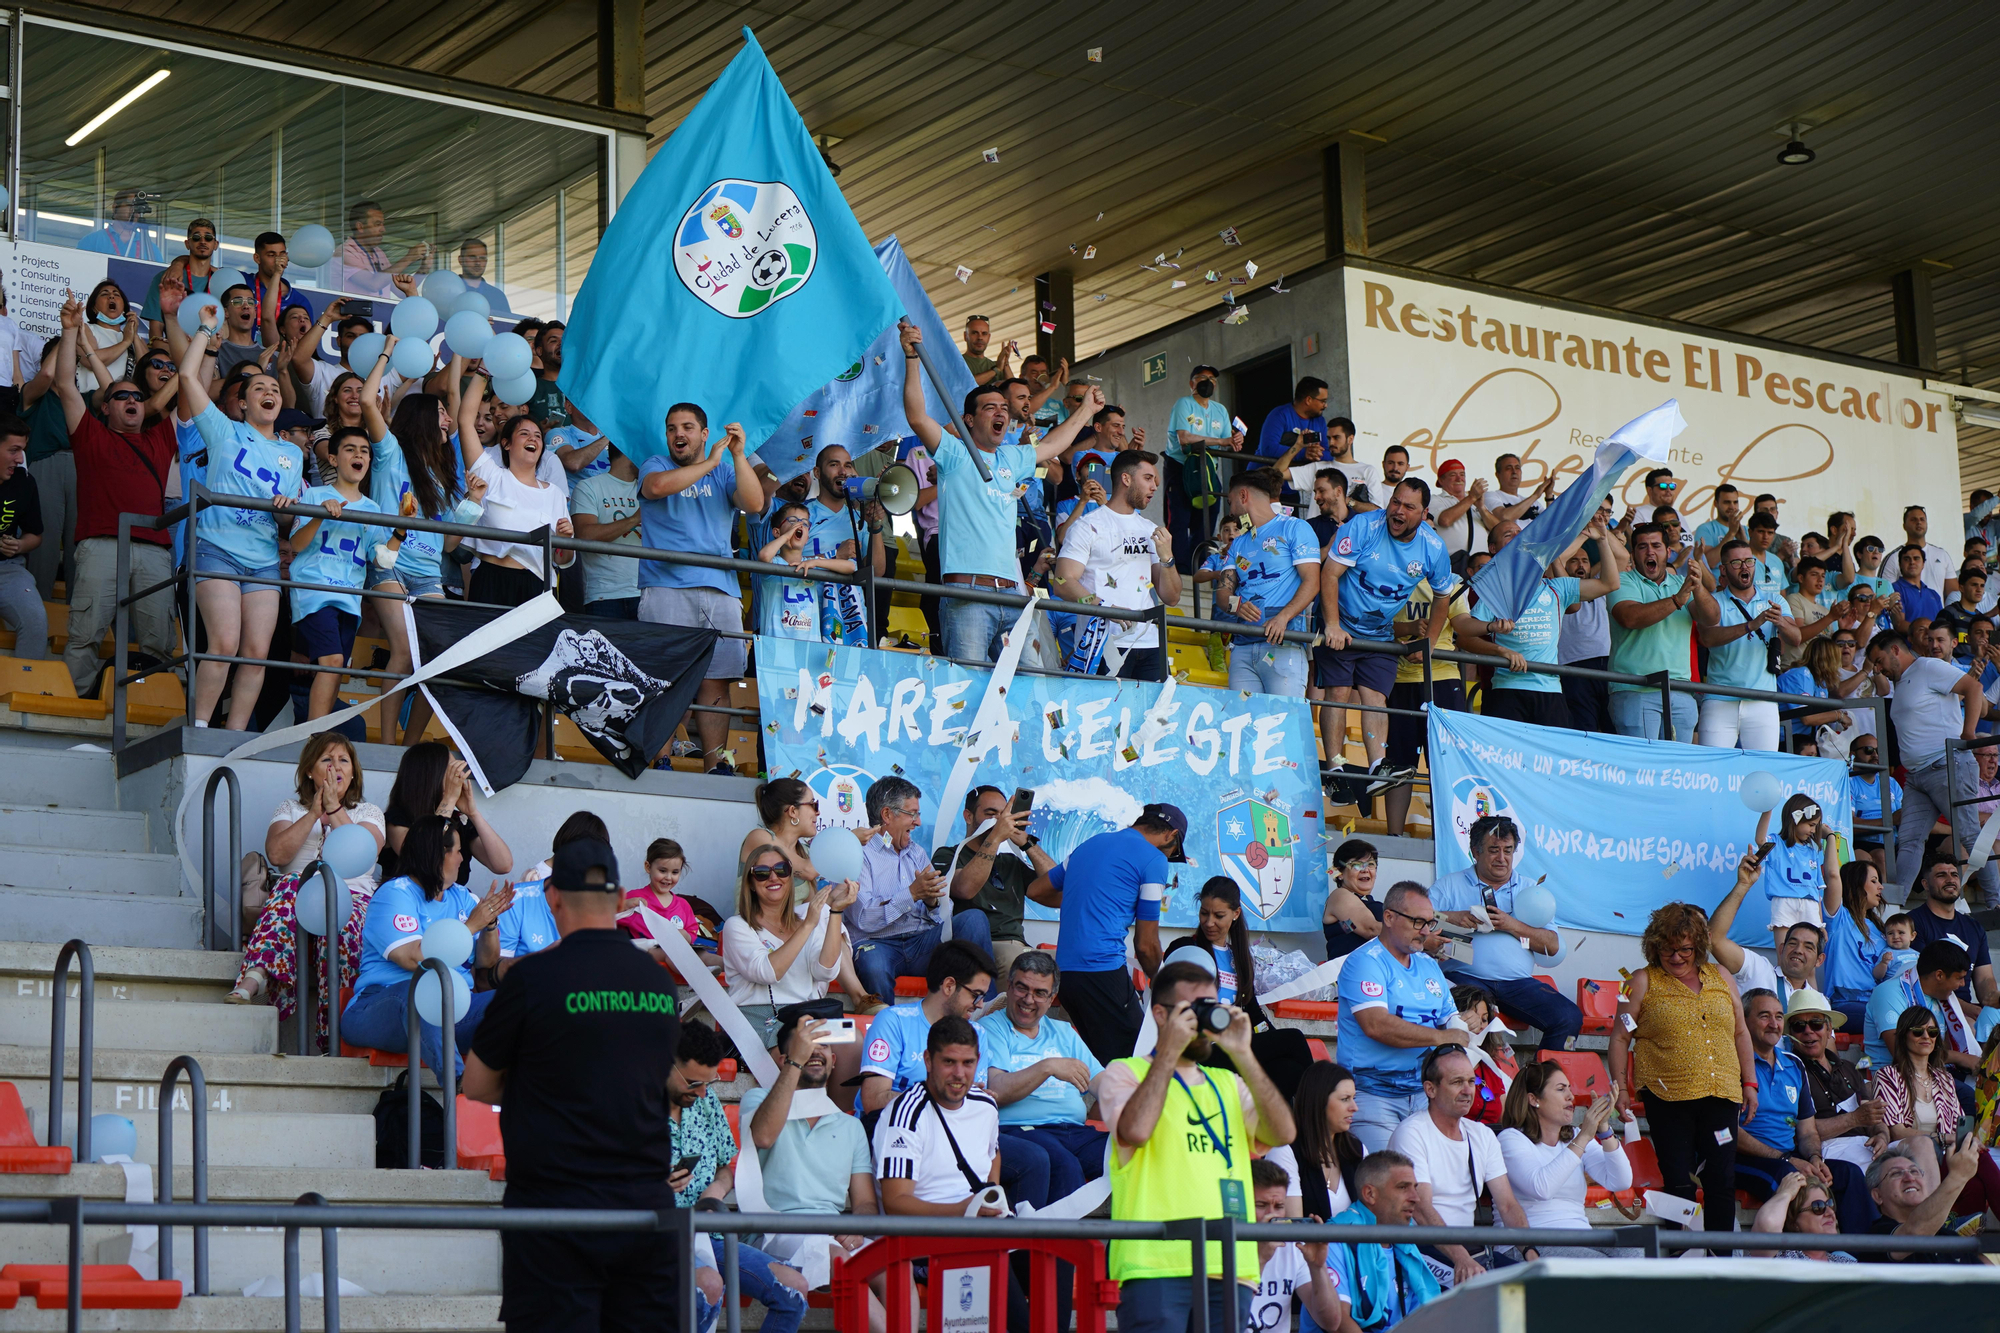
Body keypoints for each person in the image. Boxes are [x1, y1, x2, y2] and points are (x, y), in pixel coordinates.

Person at [454, 835, 684, 1328]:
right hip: (645, 1206)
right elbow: (652, 1077)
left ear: (552, 897)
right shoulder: (659, 984)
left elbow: (475, 1083)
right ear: (623, 900)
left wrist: (541, 1085)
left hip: (554, 1208)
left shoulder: (533, 979)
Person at [1093, 959, 1296, 1333]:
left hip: (1231, 1265)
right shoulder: (1124, 1073)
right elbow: (1135, 1131)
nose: (1203, 1020)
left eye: (1211, 1006)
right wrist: (1168, 1052)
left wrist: (1244, 1054)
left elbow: (1283, 1133)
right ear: (1160, 1014)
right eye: (1193, 1009)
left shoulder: (1228, 1081)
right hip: (1153, 1266)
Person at [899, 323, 1102, 663]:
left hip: (1013, 595)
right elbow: (917, 417)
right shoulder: (954, 453)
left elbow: (1054, 443)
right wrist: (911, 358)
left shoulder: (1011, 456)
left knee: (1029, 692)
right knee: (969, 689)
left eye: (1004, 409)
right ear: (967, 420)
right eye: (990, 407)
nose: (1001, 412)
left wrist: (1086, 411)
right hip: (968, 596)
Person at [175, 301, 308, 731]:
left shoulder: (292, 452)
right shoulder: (222, 429)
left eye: (272, 387)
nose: (268, 392)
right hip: (217, 549)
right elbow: (186, 378)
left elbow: (285, 521)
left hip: (265, 559)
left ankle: (233, 738)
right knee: (224, 643)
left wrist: (286, 516)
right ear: (243, 404)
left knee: (256, 652)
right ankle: (198, 729)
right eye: (257, 389)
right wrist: (203, 330)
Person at [1608, 894, 1755, 1231]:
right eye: (1667, 949)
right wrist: (1620, 1089)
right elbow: (1619, 1038)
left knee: (1721, 1177)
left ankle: (1720, 1261)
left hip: (1721, 1096)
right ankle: (1680, 1258)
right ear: (1654, 947)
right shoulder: (1639, 981)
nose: (1676, 957)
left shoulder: (1721, 975)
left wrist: (1750, 1083)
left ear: (1699, 946)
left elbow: (1741, 1032)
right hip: (1668, 1097)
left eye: (1685, 949)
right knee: (1678, 1180)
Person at [50, 306, 175, 693]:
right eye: (120, 396)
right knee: (85, 636)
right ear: (106, 408)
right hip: (102, 544)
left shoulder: (159, 439)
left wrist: (197, 335)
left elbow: (190, 382)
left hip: (154, 551)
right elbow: (65, 386)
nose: (131, 401)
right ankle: (73, 710)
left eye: (137, 396)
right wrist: (70, 331)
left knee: (160, 644)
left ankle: (155, 705)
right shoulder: (90, 435)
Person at [635, 402, 764, 770]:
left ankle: (714, 765)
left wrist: (738, 455)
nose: (679, 434)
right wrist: (709, 463)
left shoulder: (725, 472)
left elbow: (755, 503)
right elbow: (657, 488)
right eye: (673, 427)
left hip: (720, 589)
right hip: (665, 587)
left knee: (716, 684)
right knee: (663, 678)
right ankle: (660, 759)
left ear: (705, 435)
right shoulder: (655, 464)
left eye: (688, 427)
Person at [740, 1009, 889, 1328]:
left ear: (834, 1060)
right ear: (785, 1058)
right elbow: (763, 1136)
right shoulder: (757, 1099)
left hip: (830, 1234)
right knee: (834, 1254)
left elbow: (864, 1203)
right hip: (772, 1230)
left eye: (824, 1045)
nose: (817, 1051)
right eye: (807, 1044)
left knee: (893, 1265)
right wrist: (796, 1063)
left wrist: (857, 1225)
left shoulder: (850, 1126)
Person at [227, 734, 386, 1028]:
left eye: (343, 760)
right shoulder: (290, 808)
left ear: (353, 773)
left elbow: (365, 853)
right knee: (293, 882)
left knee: (337, 917)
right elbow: (276, 853)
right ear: (310, 771)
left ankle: (334, 1030)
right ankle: (254, 979)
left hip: (351, 899)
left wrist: (335, 809)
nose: (335, 767)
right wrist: (315, 813)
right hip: (295, 900)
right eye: (326, 759)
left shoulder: (369, 812)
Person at [342, 815, 512, 1074]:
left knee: (520, 999)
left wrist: (489, 924)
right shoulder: (394, 894)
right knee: (425, 992)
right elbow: (415, 959)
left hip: (455, 1010)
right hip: (380, 1007)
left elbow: (486, 962)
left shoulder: (462, 897)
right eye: (456, 851)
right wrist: (471, 926)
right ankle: (459, 1088)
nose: (462, 859)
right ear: (437, 855)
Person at [1027, 803, 1187, 1066]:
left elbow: (1036, 890)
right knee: (1136, 1068)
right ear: (1171, 835)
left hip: (1065, 977)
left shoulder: (1091, 844)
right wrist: (1163, 982)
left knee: (1104, 1071)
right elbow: (1146, 945)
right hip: (1102, 973)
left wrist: (1088, 895)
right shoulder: (1154, 859)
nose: (1167, 858)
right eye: (1172, 853)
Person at [1320, 479, 1457, 783]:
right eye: (1395, 502)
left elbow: (1443, 596)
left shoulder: (1433, 546)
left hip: (1381, 632)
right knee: (1339, 693)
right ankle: (1335, 767)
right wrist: (1332, 624)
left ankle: (1377, 767)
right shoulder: (1363, 526)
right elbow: (1329, 573)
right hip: (1341, 623)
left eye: (1409, 507)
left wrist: (1430, 643)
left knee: (1376, 698)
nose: (1398, 511)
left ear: (1423, 514)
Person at [1387, 1045, 1540, 1285]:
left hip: (1470, 1250)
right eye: (1457, 1082)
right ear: (1430, 1089)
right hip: (1421, 1247)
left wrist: (1530, 1253)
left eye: (1472, 1081)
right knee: (1480, 1294)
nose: (1468, 1090)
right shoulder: (1412, 1132)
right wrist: (1462, 1258)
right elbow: (1421, 1208)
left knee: (1533, 1287)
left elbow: (1508, 1205)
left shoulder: (1483, 1135)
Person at [1428, 815, 1581, 1053]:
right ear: (1475, 852)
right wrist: (1453, 918)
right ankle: (1472, 1082)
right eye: (1494, 850)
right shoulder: (1449, 885)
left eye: (1508, 851)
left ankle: (1541, 1083)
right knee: (1471, 1009)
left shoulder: (1530, 889)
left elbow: (1552, 946)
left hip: (1517, 984)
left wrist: (1512, 926)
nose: (1502, 858)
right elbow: (1417, 922)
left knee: (1569, 1017)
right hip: (1465, 978)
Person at [1452, 512, 1618, 727]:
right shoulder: (1496, 590)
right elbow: (1464, 631)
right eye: (1510, 535)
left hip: (1549, 689)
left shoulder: (1558, 587)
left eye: (1522, 536)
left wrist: (1603, 539)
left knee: (1550, 760)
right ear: (1494, 548)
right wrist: (1493, 632)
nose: (1519, 540)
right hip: (1507, 687)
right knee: (1508, 759)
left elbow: (1610, 584)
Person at [1867, 629, 1994, 904]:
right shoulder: (1902, 683)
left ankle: (1996, 901)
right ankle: (1893, 906)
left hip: (1945, 765)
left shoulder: (1928, 666)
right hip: (1917, 775)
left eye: (1879, 661)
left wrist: (1968, 734)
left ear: (1895, 651)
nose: (1878, 668)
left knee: (1970, 835)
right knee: (1910, 841)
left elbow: (1974, 688)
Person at [1336, 882, 1464, 1152]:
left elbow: (1451, 1019)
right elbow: (1376, 1025)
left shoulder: (1429, 965)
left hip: (1422, 1095)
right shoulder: (1365, 961)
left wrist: (1467, 1024)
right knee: (1391, 1181)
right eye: (1418, 922)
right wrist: (1442, 1037)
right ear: (1389, 917)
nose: (1426, 931)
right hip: (1371, 1095)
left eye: (1430, 922)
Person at [1162, 878, 1317, 1099]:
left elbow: (1254, 1015)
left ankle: (1278, 1128)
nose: (1209, 922)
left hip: (1232, 1048)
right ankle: (1320, 1115)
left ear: (1235, 914)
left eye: (1218, 916)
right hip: (1200, 1048)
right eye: (1204, 913)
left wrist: (1272, 1041)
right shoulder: (1185, 948)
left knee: (1288, 1069)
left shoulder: (1239, 957)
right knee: (1293, 1039)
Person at [977, 950, 1109, 1201]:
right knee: (1064, 1164)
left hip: (1075, 1132)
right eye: (1022, 988)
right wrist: (1048, 1067)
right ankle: (1067, 1241)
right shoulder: (991, 1028)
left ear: (1052, 998)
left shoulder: (1064, 1032)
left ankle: (1128, 1239)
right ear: (1009, 986)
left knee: (1134, 1156)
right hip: (1020, 1131)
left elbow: (1101, 1083)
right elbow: (998, 1090)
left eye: (1039, 993)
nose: (1028, 999)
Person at [1734, 988, 1869, 1232]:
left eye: (1778, 1016)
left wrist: (1815, 1159)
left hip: (1787, 1156)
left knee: (1847, 1173)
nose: (1774, 1024)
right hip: (1740, 1159)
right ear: (1744, 1021)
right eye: (1764, 1016)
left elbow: (1807, 1131)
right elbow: (1729, 1133)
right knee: (1790, 1177)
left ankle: (1859, 1257)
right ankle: (1802, 1259)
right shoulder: (1731, 1064)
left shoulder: (1793, 1064)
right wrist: (1786, 1159)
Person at [849, 776, 994, 998]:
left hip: (922, 943)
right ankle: (882, 1030)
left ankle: (986, 1019)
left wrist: (931, 901)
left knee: (973, 919)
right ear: (887, 815)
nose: (918, 822)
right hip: (877, 944)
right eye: (912, 814)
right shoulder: (857, 853)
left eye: (918, 814)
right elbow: (864, 919)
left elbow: (940, 914)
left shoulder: (916, 852)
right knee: (874, 965)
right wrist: (912, 893)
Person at [455, 366, 576, 608]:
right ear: (506, 444)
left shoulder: (553, 493)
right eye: (524, 434)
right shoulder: (491, 475)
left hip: (537, 586)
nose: (533, 439)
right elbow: (465, 420)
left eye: (538, 436)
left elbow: (562, 559)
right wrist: (482, 373)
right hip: (491, 578)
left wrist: (565, 540)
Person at [1052, 450, 1180, 678]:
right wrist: (1103, 608)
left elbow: (1171, 597)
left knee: (1153, 714)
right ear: (1126, 479)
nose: (1155, 487)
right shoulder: (1087, 525)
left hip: (1149, 641)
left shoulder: (1150, 528)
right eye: (1148, 478)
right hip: (1102, 642)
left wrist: (1167, 559)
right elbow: (1062, 582)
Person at [285, 428, 380, 721]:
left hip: (350, 599)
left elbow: (383, 559)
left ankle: (316, 733)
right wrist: (320, 514)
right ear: (333, 459)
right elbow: (297, 544)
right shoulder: (314, 494)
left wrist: (402, 529)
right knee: (333, 661)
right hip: (315, 591)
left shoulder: (373, 508)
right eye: (350, 449)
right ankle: (315, 738)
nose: (358, 455)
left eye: (364, 450)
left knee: (337, 669)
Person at [721, 842, 854, 1048]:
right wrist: (809, 924)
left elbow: (826, 972)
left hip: (806, 1015)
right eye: (762, 873)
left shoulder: (806, 920)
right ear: (750, 883)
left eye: (782, 870)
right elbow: (767, 972)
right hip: (758, 1017)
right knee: (801, 1046)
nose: (774, 877)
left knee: (854, 1042)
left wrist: (835, 912)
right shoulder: (737, 926)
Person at [1495, 1060, 1631, 1256]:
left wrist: (1603, 1129)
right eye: (1561, 1089)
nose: (1571, 1096)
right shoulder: (1511, 1138)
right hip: (1530, 1245)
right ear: (1534, 1099)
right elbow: (1542, 1188)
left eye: (1569, 1088)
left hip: (1581, 1238)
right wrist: (1584, 1136)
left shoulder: (1574, 1136)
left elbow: (1620, 1181)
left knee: (1639, 1246)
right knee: (1598, 1266)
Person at [1872, 1006, 2000, 1214]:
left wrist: (1959, 1141)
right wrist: (1946, 1138)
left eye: (1932, 1032)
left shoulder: (1944, 1078)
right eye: (1918, 1031)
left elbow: (1958, 1128)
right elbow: (1898, 1132)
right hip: (1911, 1156)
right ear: (1904, 1035)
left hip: (1945, 1155)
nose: (1926, 1037)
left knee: (1974, 1185)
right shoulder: (1887, 1076)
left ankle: (1963, 1244)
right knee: (1982, 1157)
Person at [1212, 466, 1322, 697]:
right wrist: (1237, 605)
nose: (1231, 510)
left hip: (1285, 645)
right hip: (1242, 648)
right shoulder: (1239, 543)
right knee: (1243, 726)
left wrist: (1283, 618)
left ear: (1243, 496)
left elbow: (1312, 582)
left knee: (1282, 724)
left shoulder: (1295, 527)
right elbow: (1222, 594)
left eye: (1231, 502)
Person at [855, 939, 994, 1117]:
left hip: (951, 1130)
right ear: (949, 986)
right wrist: (941, 1099)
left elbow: (973, 1102)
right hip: (892, 1128)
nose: (981, 1005)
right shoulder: (893, 1021)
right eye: (976, 996)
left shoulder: (977, 1033)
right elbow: (874, 1101)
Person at [1608, 522, 1717, 739]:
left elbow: (1712, 617)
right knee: (1642, 769)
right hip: (1635, 689)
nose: (1650, 551)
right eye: (1642, 546)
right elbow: (1630, 617)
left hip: (1680, 691)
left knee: (1679, 770)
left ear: (1667, 552)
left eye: (1656, 545)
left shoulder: (1681, 583)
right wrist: (1677, 600)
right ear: (1632, 554)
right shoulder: (1621, 581)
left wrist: (1698, 586)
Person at [934, 785, 1057, 976]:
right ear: (968, 816)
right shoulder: (947, 855)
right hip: (984, 946)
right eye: (991, 814)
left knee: (1074, 965)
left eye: (1003, 815)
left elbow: (1057, 890)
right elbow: (964, 888)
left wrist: (1026, 842)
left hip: (1022, 948)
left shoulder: (1010, 862)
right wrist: (996, 837)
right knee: (1015, 961)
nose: (999, 821)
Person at [1694, 538, 1800, 749]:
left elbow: (1796, 638)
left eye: (1749, 561)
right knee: (1714, 769)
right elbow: (1707, 638)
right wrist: (1750, 625)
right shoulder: (1714, 601)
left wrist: (1780, 622)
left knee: (1762, 770)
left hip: (1762, 700)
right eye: (1736, 563)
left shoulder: (1775, 599)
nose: (1744, 567)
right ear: (1723, 570)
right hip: (1719, 699)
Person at [1320, 1152, 1440, 1332]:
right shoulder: (1335, 1240)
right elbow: (1339, 1323)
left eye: (1415, 1187)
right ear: (1370, 1194)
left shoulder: (1406, 1247)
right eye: (1402, 1187)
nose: (1415, 1197)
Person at [377, 741, 513, 882]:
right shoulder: (397, 818)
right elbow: (423, 859)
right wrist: (448, 799)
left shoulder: (458, 820)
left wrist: (473, 814)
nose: (459, 777)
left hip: (453, 902)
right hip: (409, 900)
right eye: (452, 772)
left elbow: (503, 865)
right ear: (429, 776)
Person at [1162, 364, 1243, 573]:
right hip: (1181, 467)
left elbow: (1226, 440)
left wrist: (1234, 439)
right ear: (1192, 384)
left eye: (1212, 379)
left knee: (1208, 515)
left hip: (1207, 469)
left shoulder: (1220, 409)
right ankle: (1180, 569)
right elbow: (1185, 438)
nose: (1208, 382)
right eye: (1202, 378)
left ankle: (1200, 566)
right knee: (1180, 518)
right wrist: (1223, 441)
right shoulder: (1184, 404)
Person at [1262, 1061, 1367, 1221]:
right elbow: (1293, 1229)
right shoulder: (1285, 1151)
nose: (1354, 1107)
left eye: (1354, 1098)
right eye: (1345, 1099)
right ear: (1320, 1101)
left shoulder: (1357, 1150)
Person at [1249, 1160, 1345, 1333]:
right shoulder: (1222, 1243)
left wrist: (1318, 1267)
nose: (1271, 1215)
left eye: (1279, 1207)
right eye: (1261, 1206)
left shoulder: (1292, 1246)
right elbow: (1225, 1318)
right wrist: (1261, 1258)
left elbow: (1330, 1322)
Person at [1861, 1137, 1986, 1263]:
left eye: (1914, 1171)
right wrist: (1958, 1176)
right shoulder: (1876, 1237)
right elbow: (1914, 1234)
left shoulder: (1949, 1237)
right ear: (1878, 1196)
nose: (1910, 1178)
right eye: (1896, 1174)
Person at [1862, 940, 1978, 1073]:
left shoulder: (1940, 995)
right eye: (1959, 978)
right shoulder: (1888, 993)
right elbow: (1901, 1053)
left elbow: (1941, 1046)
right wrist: (1962, 1058)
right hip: (1896, 1079)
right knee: (1968, 1094)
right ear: (1939, 975)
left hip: (1935, 1073)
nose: (1963, 984)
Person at [1749, 792, 1842, 945]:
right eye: (1811, 825)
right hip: (1784, 902)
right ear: (1796, 820)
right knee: (1783, 950)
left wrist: (1820, 922)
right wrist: (1768, 808)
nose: (1813, 830)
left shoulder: (1813, 850)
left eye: (1816, 826)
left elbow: (1815, 890)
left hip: (1809, 905)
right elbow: (1760, 839)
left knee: (1809, 955)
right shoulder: (1777, 843)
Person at [1905, 858, 1998, 1006]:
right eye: (1941, 875)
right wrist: (1970, 1011)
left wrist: (1993, 1003)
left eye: (1954, 875)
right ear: (1925, 884)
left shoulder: (1974, 927)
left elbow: (1985, 979)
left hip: (1967, 1010)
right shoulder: (1911, 923)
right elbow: (1925, 984)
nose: (1950, 880)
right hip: (1931, 1009)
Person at [569, 442, 643, 618]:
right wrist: (635, 519)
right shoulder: (589, 487)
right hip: (604, 595)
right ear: (629, 450)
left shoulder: (649, 489)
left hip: (647, 593)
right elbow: (585, 535)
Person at [1823, 860, 1891, 1027]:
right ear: (1856, 884)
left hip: (1879, 1001)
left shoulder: (1880, 927)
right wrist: (1831, 837)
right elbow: (1832, 875)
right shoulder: (1840, 919)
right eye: (1874, 881)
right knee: (1892, 1021)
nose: (1880, 887)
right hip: (1848, 1003)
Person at [0, 420, 44, 659]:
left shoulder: (24, 481)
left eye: (22, 451)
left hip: (7, 569)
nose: (19, 459)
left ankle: (27, 691)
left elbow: (35, 535)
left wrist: (19, 545)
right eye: (13, 450)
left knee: (36, 622)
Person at [1748, 1174, 1857, 1263]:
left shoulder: (1845, 1263)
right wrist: (1786, 1193)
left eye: (1830, 1204)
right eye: (1818, 1207)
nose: (1830, 1212)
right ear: (1794, 1222)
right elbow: (1768, 1224)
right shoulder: (1782, 1259)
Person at [339, 199, 429, 297]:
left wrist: (424, 268)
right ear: (360, 227)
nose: (383, 229)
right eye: (378, 224)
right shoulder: (345, 252)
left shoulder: (379, 253)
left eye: (383, 224)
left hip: (380, 312)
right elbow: (373, 284)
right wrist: (409, 258)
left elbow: (400, 291)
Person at [1323, 839, 1384, 960]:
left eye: (1370, 864)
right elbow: (1370, 929)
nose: (1365, 870)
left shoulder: (1378, 903)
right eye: (1356, 865)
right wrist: (1416, 938)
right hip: (1351, 974)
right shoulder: (1340, 896)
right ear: (1339, 873)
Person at [78, 186, 163, 261]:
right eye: (130, 205)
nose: (134, 211)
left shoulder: (151, 249)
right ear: (115, 207)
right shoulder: (92, 241)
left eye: (138, 206)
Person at [1256, 377, 1331, 459]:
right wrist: (1304, 453)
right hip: (1266, 470)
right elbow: (1268, 449)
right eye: (1323, 401)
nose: (1326, 405)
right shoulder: (1279, 414)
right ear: (1308, 400)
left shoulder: (1320, 421)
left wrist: (1315, 453)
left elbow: (1328, 453)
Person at [454, 237, 511, 315]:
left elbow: (506, 326)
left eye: (482, 258)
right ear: (460, 260)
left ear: (486, 261)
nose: (478, 262)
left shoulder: (498, 296)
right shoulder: (450, 291)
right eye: (472, 257)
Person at [959, 314, 1009, 386]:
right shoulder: (957, 362)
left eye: (984, 333)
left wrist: (1005, 363)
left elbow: (1015, 391)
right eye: (975, 333)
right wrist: (996, 370)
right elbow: (966, 385)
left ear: (989, 337)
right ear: (965, 336)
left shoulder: (997, 365)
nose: (980, 337)